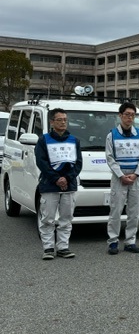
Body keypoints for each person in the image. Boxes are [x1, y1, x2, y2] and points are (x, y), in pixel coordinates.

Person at [35, 108, 83, 260]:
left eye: (65, 120)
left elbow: (78, 164)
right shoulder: (43, 140)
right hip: (49, 185)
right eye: (59, 120)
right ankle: (48, 248)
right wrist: (56, 178)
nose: (63, 122)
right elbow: (41, 162)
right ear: (51, 122)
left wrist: (67, 179)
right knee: (48, 218)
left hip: (69, 186)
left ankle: (63, 247)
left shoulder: (74, 140)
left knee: (66, 218)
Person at [105, 102, 139, 255]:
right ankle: (113, 242)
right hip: (119, 177)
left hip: (135, 177)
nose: (130, 118)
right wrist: (121, 175)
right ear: (120, 116)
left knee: (134, 211)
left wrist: (136, 174)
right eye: (127, 115)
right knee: (116, 210)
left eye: (132, 115)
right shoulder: (112, 135)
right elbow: (110, 158)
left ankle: (130, 241)